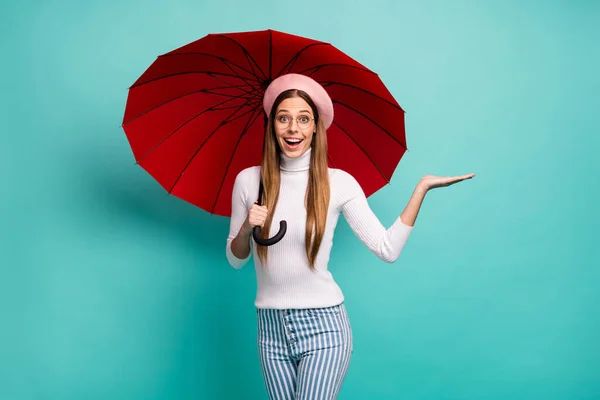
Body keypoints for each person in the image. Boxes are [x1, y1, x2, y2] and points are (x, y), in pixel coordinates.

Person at [225, 73, 475, 400]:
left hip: (324, 327)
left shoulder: (339, 183)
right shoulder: (249, 181)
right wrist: (247, 227)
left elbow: (387, 249)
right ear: (272, 125)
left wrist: (421, 189)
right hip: (269, 329)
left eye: (304, 119)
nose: (293, 129)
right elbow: (235, 259)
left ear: (316, 126)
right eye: (284, 118)